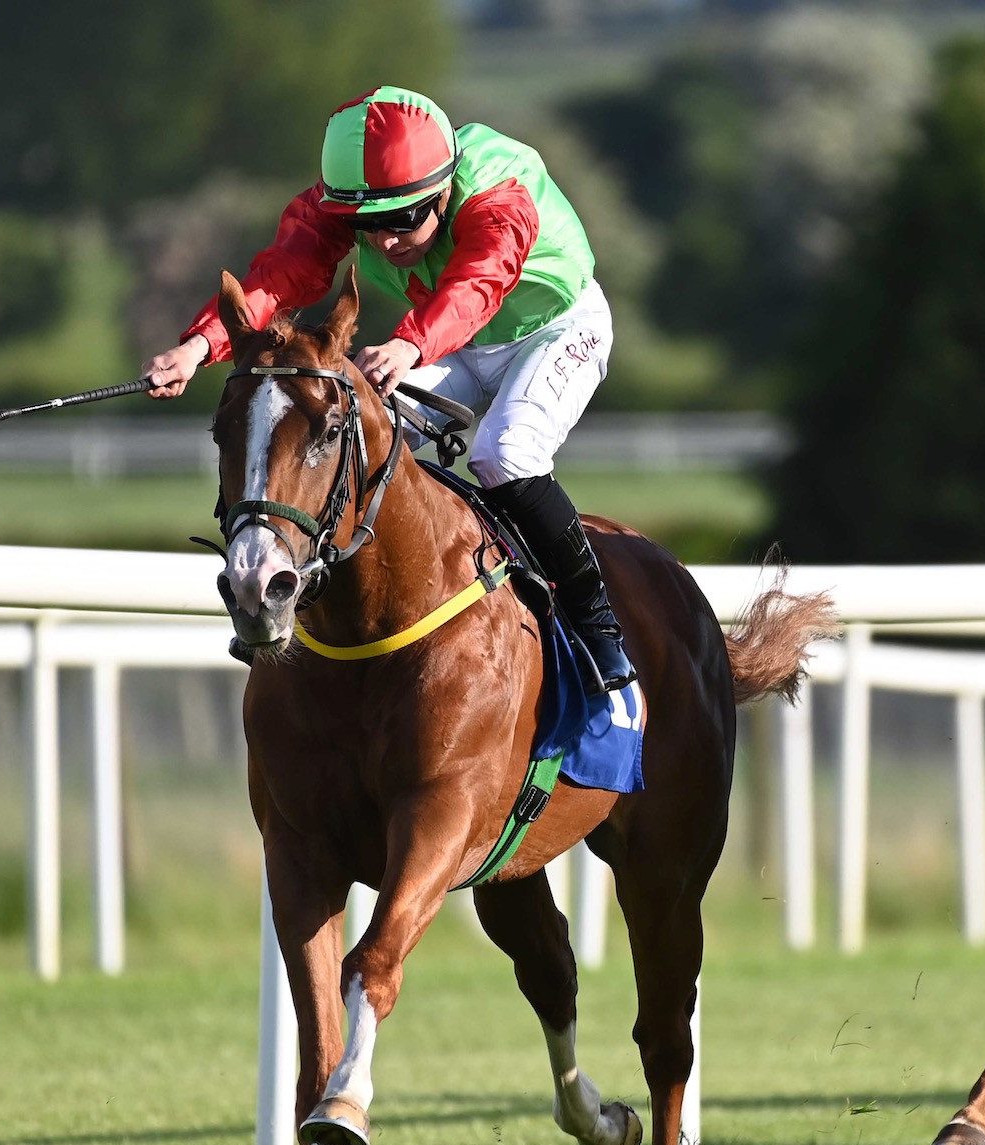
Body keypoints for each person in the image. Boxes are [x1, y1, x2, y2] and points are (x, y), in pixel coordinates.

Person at [141, 85, 634, 692]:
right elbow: (282, 274)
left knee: (504, 454)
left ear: (443, 190)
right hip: (454, 343)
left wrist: (411, 344)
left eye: (403, 220)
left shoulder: (498, 191)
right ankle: (289, 592)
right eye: (366, 226)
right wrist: (198, 347)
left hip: (555, 329)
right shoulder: (353, 195)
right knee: (352, 432)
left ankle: (598, 628)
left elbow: (479, 282)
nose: (385, 242)